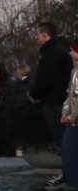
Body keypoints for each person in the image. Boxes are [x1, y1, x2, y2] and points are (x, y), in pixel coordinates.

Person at [30, 21, 72, 154]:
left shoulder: (52, 52)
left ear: (44, 34)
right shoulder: (60, 50)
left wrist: (34, 93)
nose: (37, 37)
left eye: (38, 34)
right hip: (60, 97)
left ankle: (68, 171)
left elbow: (46, 77)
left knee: (60, 137)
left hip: (54, 99)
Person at [55, 41, 78, 191]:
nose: (70, 53)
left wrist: (72, 117)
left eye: (72, 50)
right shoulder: (74, 71)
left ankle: (74, 184)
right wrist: (65, 113)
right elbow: (69, 96)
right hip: (72, 119)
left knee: (70, 149)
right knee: (68, 149)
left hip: (75, 120)